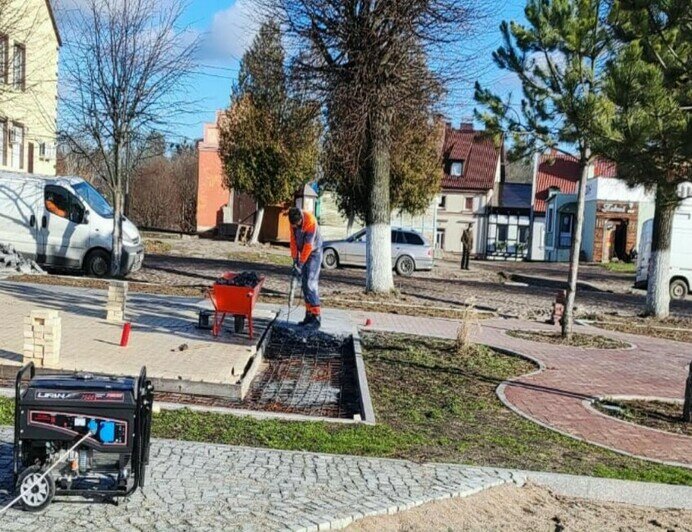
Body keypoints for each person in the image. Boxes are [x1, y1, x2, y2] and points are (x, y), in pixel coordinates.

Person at [288, 206, 323, 328]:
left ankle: (316, 317)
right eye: (294, 225)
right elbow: (293, 241)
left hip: (314, 253)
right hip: (303, 251)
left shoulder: (310, 221)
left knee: (310, 283)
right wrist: (295, 260)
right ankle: (309, 315)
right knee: (304, 284)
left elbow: (308, 246)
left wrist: (301, 264)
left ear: (301, 219)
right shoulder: (292, 222)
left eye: (297, 225)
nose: (295, 227)